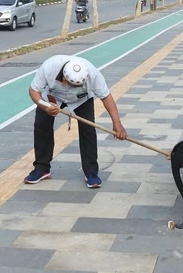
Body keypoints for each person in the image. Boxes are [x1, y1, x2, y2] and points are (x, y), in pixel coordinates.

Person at [24, 55, 127, 189]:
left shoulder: (93, 74)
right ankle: (41, 168)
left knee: (88, 130)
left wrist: (117, 124)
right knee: (41, 127)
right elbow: (33, 91)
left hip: (82, 99)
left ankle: (91, 172)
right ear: (64, 79)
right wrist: (44, 106)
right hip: (51, 97)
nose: (73, 87)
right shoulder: (49, 67)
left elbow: (106, 97)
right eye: (72, 85)